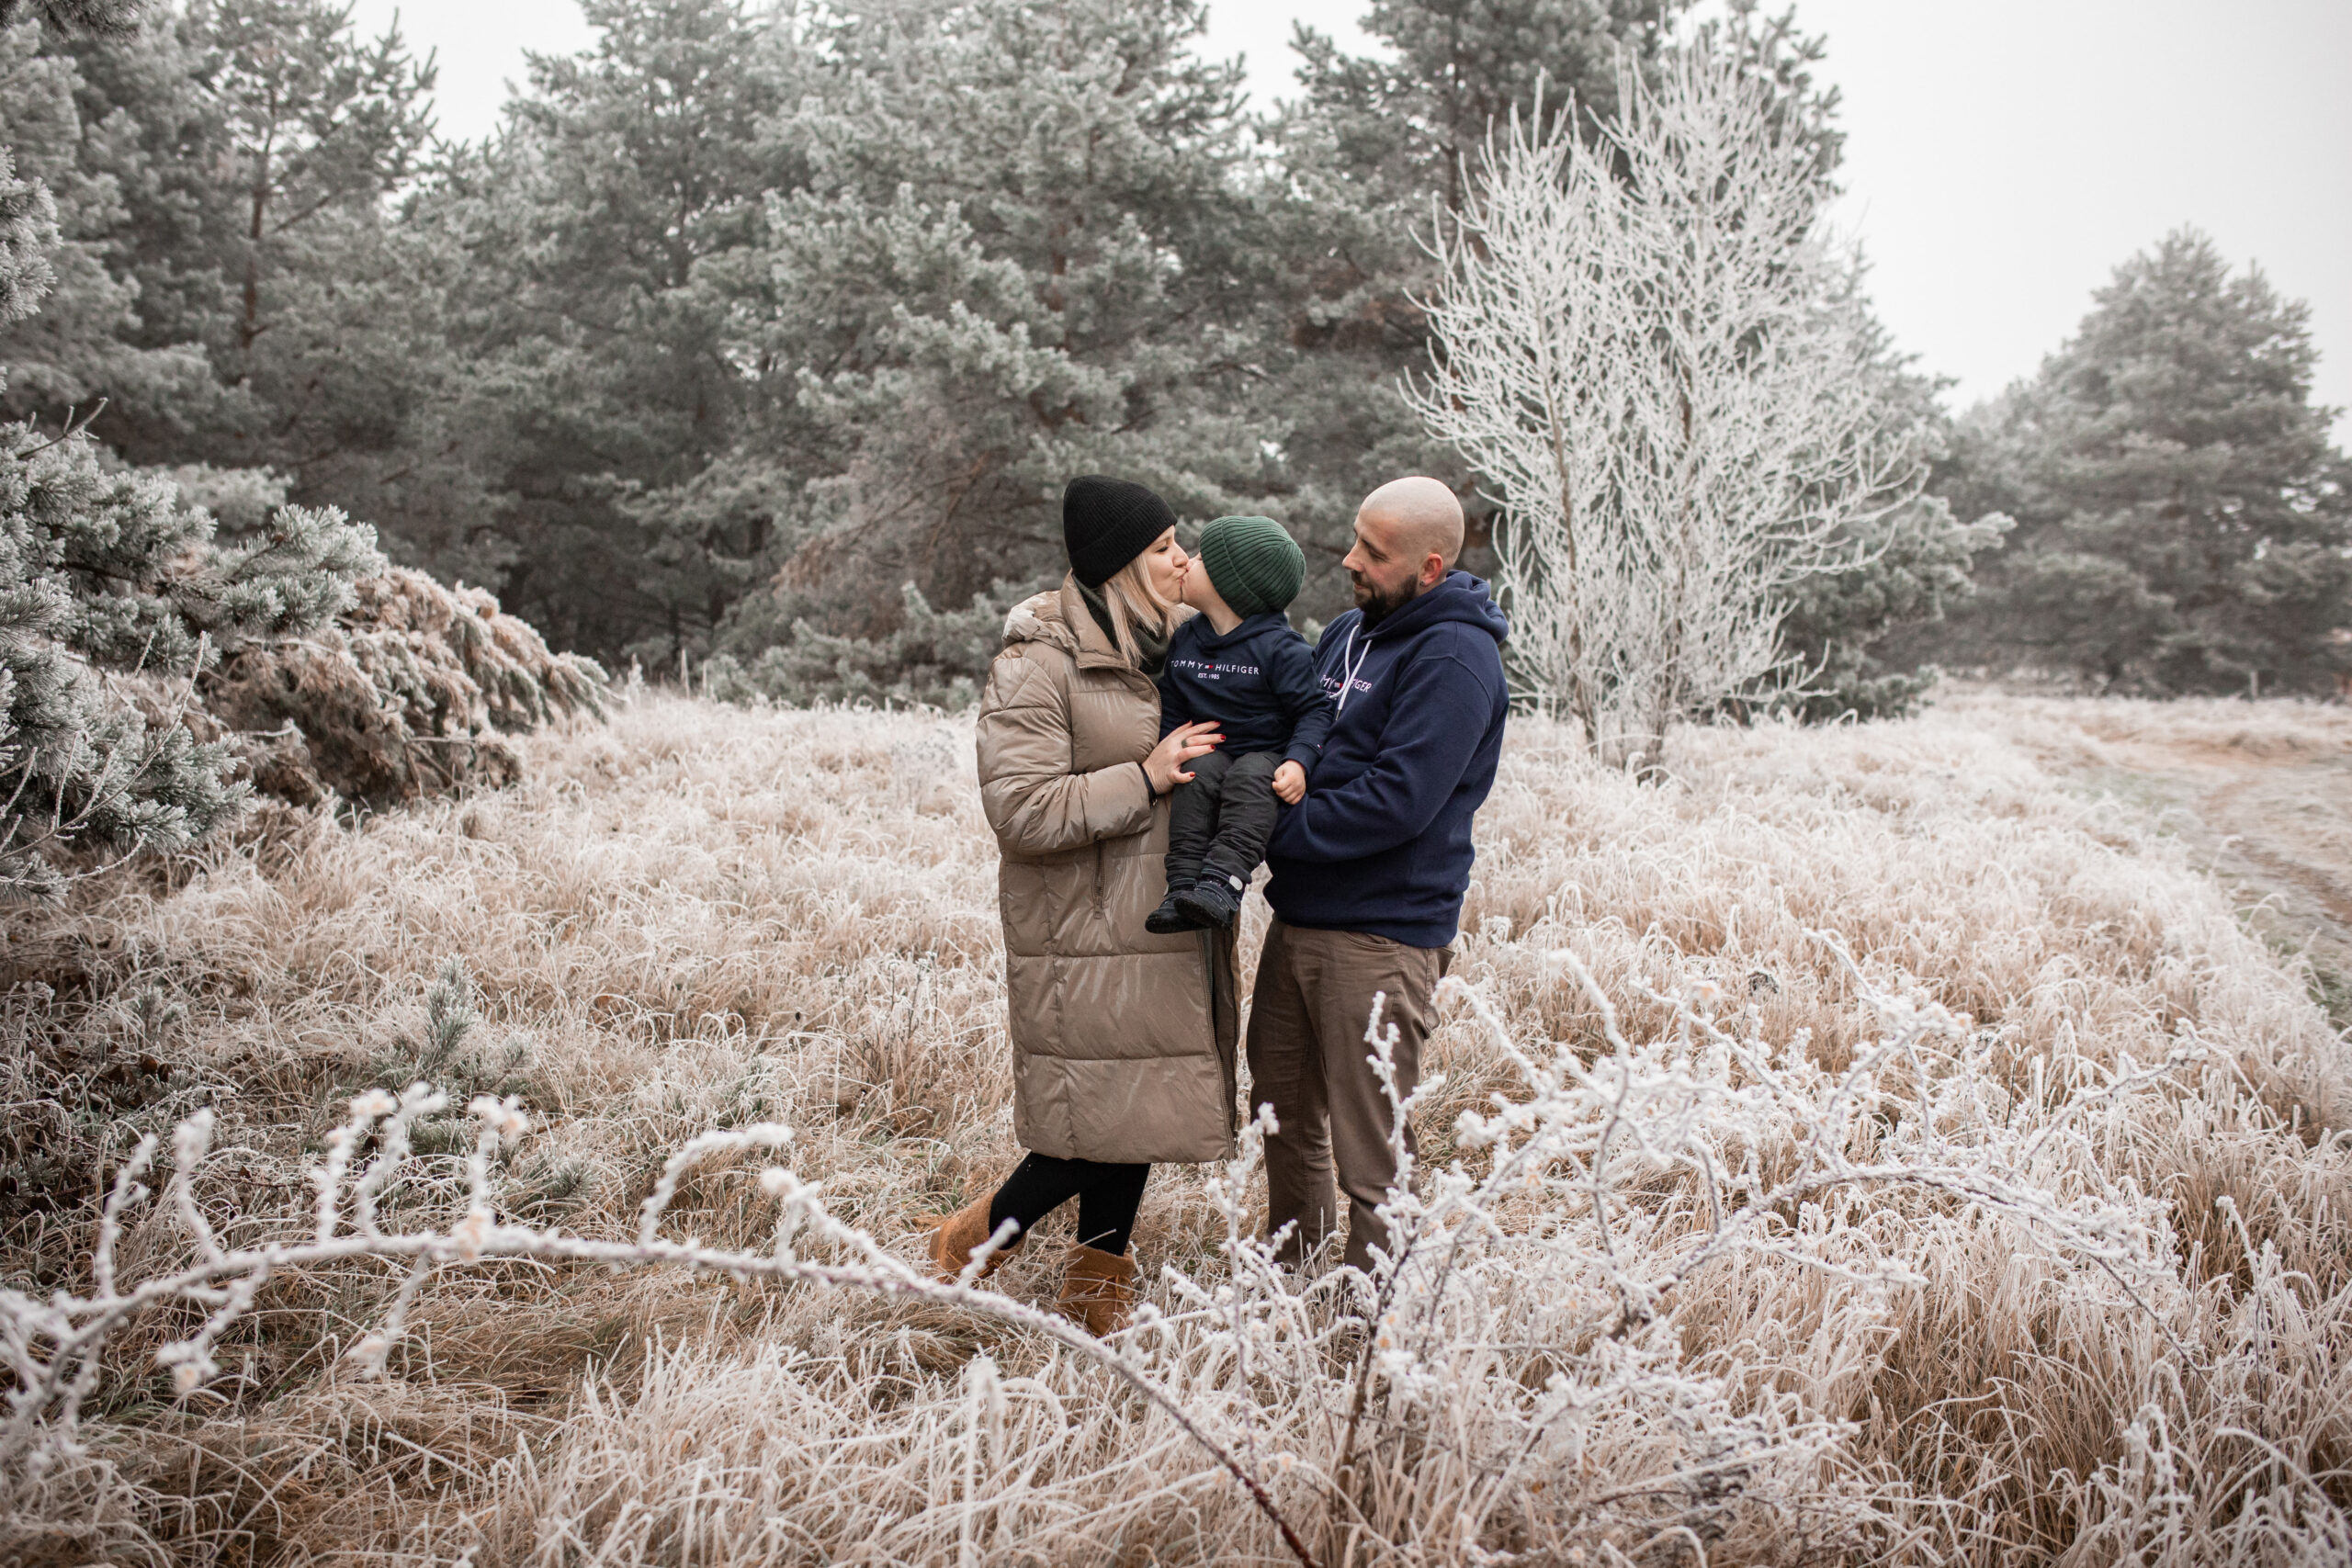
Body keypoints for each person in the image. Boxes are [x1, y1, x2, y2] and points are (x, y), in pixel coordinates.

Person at [928, 474, 1238, 1336]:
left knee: (1132, 1100)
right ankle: (976, 1238)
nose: (1184, 559)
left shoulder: (1177, 645)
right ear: (1118, 567)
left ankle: (1095, 1288)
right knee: (1088, 1119)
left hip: (1158, 917)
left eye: (1179, 542)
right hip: (1080, 925)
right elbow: (1021, 810)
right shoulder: (1037, 664)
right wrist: (1143, 776)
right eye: (1164, 548)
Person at [1248, 476, 1510, 1273]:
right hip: (1301, 920)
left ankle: (1374, 1336)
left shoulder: (1456, 657)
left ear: (1430, 568)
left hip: (1380, 936)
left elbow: (1399, 801)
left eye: (1373, 551)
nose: (1349, 559)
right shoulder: (1351, 633)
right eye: (1356, 538)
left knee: (1373, 1156)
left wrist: (1269, 827)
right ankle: (1296, 1287)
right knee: (1282, 1118)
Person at [1145, 514, 1334, 935]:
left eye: (1200, 557)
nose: (1186, 562)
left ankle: (1223, 884)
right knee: (1198, 773)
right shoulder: (1188, 638)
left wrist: (1299, 762)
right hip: (1213, 751)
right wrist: (1168, 750)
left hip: (1265, 754)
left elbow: (1315, 711)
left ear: (1231, 586)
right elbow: (1173, 704)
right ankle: (1180, 888)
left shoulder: (1281, 649)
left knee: (1250, 777)